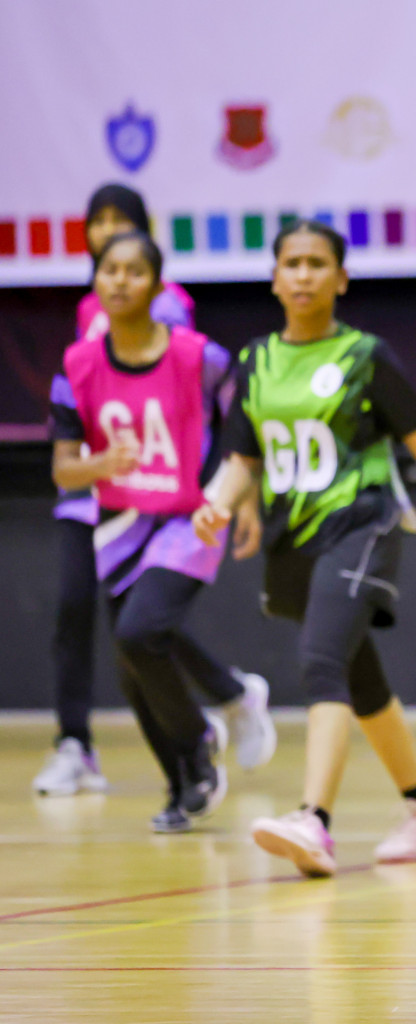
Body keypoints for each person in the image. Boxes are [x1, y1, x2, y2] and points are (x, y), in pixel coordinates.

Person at [193, 219, 416, 877]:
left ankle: (313, 821)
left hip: (363, 525)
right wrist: (218, 500)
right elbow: (241, 457)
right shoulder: (255, 364)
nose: (303, 273)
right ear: (274, 278)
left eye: (316, 263)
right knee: (361, 679)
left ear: (341, 278)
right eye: (291, 262)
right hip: (292, 538)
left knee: (322, 660)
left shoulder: (365, 357)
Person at [35, 183, 273, 797]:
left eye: (123, 227)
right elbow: (69, 444)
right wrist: (94, 465)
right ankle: (79, 746)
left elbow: (228, 406)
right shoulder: (85, 334)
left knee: (141, 630)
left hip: (169, 498)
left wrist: (241, 491)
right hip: (97, 494)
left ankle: (216, 717)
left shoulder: (182, 336)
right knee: (97, 623)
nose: (116, 271)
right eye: (99, 226)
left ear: (154, 278)